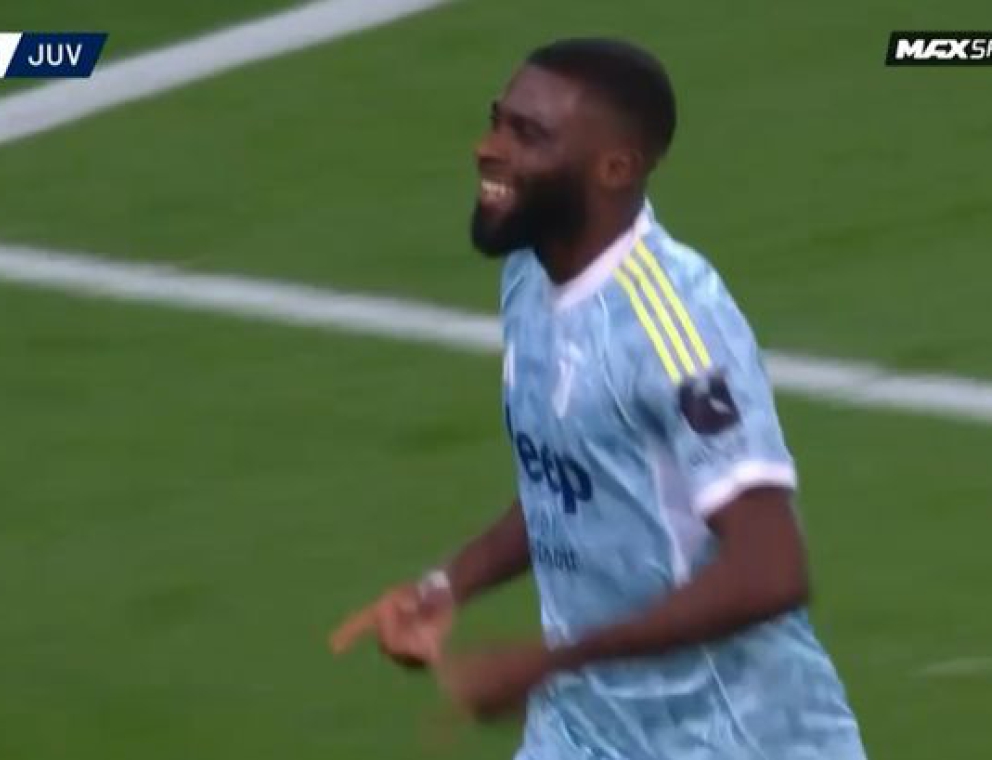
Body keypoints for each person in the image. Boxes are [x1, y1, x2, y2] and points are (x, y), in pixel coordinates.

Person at [332, 37, 867, 760]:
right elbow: (578, 478)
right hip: (584, 730)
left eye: (529, 135)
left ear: (615, 167)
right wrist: (447, 585)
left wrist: (553, 662)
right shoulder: (529, 274)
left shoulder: (675, 326)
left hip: (733, 736)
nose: (488, 149)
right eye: (497, 121)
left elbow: (772, 570)